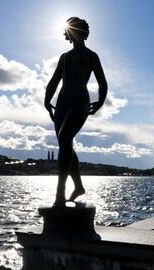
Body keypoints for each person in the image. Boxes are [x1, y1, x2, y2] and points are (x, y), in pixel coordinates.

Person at [44, 17, 107, 207]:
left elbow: (102, 82)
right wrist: (47, 101)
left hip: (80, 101)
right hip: (62, 103)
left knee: (64, 139)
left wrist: (100, 101)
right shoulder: (64, 57)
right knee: (66, 143)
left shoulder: (91, 56)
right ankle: (78, 186)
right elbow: (54, 81)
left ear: (82, 32)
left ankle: (59, 195)